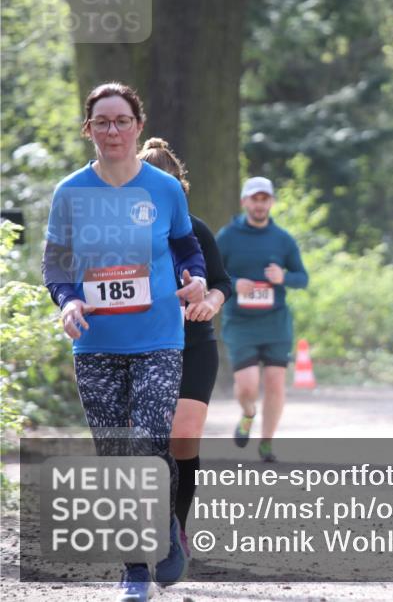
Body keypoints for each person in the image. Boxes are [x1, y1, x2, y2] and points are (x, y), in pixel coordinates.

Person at [43, 83, 207, 602]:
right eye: (101, 122)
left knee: (152, 440)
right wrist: (68, 301)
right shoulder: (71, 191)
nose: (112, 130)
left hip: (159, 336)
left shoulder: (164, 189)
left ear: (138, 125)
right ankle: (135, 570)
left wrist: (197, 278)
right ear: (88, 129)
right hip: (96, 344)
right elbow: (56, 263)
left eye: (121, 120)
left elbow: (186, 245)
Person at [138, 138, 233, 558]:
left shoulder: (196, 231)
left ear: (180, 189)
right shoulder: (118, 235)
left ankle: (177, 527)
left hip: (194, 344)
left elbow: (222, 281)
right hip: (139, 348)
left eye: (170, 186)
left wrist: (210, 301)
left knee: (185, 435)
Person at [216, 176, 308, 463]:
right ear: (244, 202)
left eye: (264, 198)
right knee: (247, 385)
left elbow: (302, 278)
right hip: (240, 322)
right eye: (254, 199)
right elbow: (210, 274)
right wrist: (234, 282)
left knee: (275, 383)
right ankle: (248, 413)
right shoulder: (227, 237)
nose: (259, 204)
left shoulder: (282, 239)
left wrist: (284, 277)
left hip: (275, 322)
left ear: (271, 202)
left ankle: (267, 443)